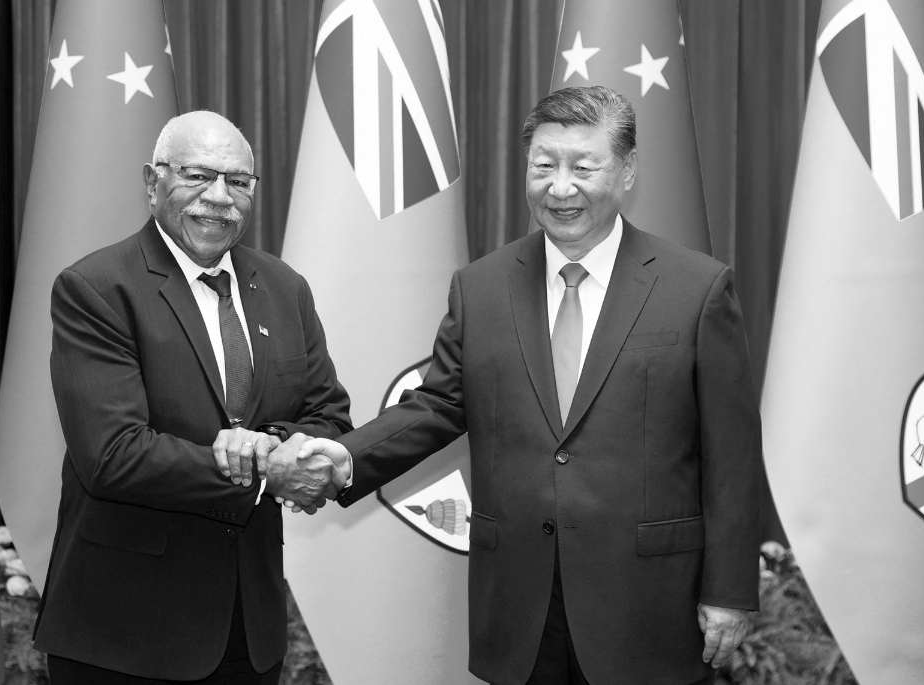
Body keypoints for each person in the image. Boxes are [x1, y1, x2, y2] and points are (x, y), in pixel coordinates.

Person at [297, 86, 761, 685]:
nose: (559, 187)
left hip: (647, 604)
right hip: (520, 604)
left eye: (582, 167)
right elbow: (439, 403)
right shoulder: (481, 287)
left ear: (627, 171)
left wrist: (729, 590)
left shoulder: (696, 289)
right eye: (543, 165)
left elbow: (732, 456)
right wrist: (344, 457)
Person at [33, 110, 352, 684]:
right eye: (198, 176)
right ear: (153, 182)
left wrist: (275, 446)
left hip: (247, 630)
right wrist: (263, 472)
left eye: (237, 181)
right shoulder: (98, 288)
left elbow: (328, 413)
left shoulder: (284, 288)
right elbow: (113, 455)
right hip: (123, 635)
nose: (219, 198)